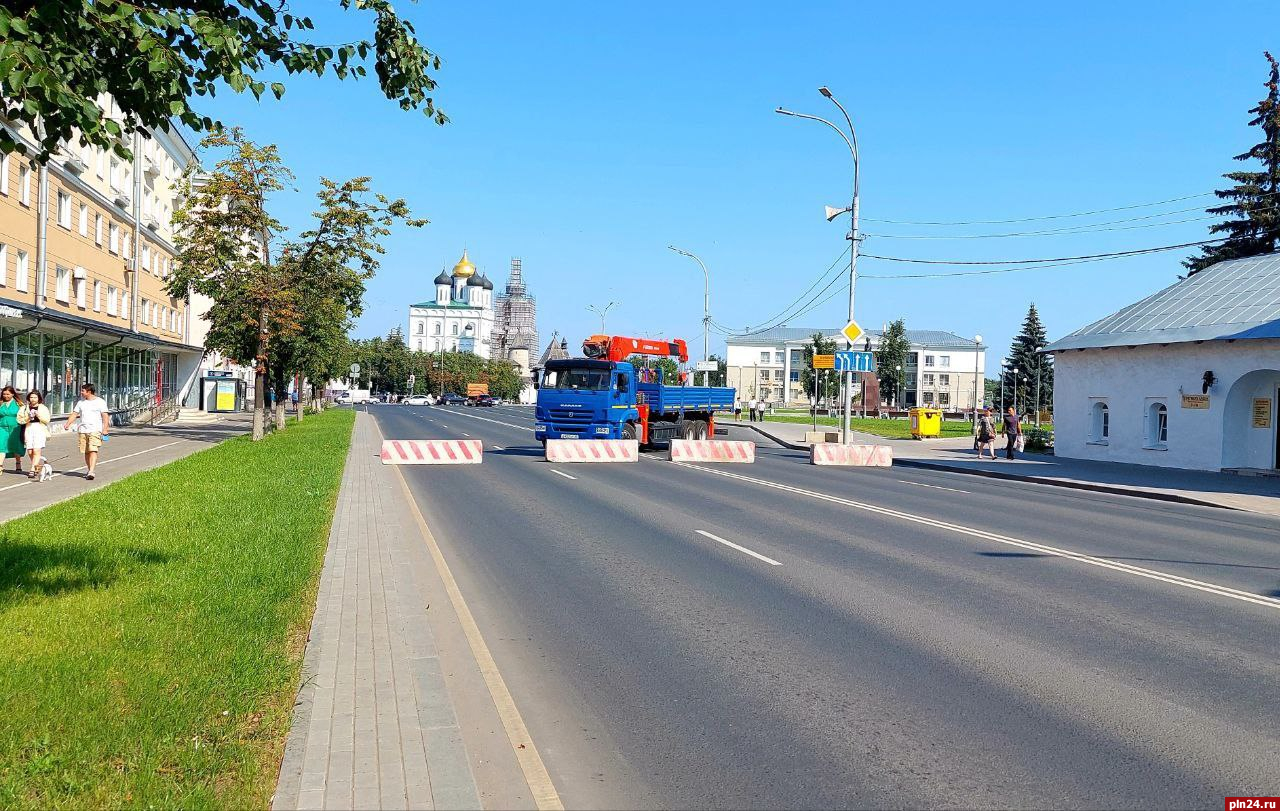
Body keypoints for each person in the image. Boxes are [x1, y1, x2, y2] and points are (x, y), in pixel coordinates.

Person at [65, 383, 110, 481]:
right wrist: (68, 423)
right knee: (86, 451)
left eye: (83, 391)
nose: (81, 392)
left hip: (95, 430)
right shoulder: (81, 403)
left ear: (89, 392)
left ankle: (91, 471)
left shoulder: (100, 402)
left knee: (93, 449)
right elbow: (74, 414)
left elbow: (105, 416)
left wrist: (105, 429)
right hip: (83, 430)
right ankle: (90, 470)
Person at [21, 390, 51, 480]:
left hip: (39, 429)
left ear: (39, 398)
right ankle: (37, 466)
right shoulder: (25, 408)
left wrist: (38, 415)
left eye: (35, 397)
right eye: (31, 397)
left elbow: (47, 420)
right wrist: (28, 418)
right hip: (29, 429)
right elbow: (19, 420)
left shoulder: (43, 408)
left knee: (37, 450)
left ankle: (33, 469)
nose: (33, 399)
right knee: (30, 451)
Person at [0, 385, 24, 473]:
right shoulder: (1, 403)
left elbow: (24, 416)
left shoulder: (19, 404)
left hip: (15, 428)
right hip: (2, 427)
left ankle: (18, 463)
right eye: (4, 394)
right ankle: (0, 466)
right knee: (1, 445)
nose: (6, 396)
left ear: (13, 394)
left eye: (8, 394)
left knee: (15, 446)